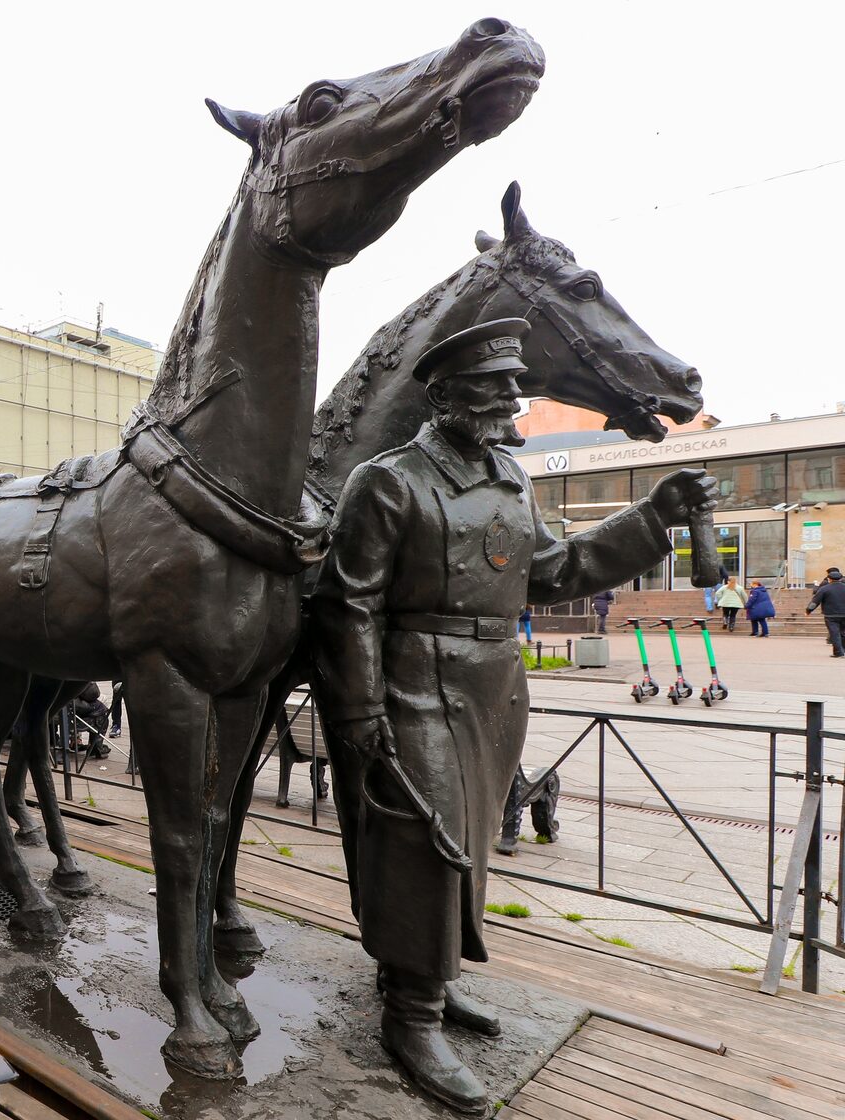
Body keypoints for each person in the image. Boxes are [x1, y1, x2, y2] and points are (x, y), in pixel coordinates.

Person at [312, 318, 717, 1113]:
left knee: (465, 843)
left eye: (515, 385)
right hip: (413, 680)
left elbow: (557, 570)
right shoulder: (389, 481)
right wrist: (359, 713)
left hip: (494, 684)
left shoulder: (509, 478)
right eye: (494, 385)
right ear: (445, 394)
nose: (512, 399)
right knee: (424, 839)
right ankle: (411, 1016)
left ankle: (429, 975)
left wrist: (654, 516)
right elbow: (345, 605)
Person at [807, 567, 845, 657]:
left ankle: (839, 652)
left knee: (834, 633)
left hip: (830, 615)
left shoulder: (824, 589)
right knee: (843, 632)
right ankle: (841, 650)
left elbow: (815, 601)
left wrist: (808, 610)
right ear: (841, 578)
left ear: (829, 579)